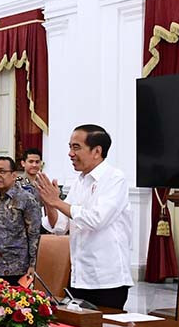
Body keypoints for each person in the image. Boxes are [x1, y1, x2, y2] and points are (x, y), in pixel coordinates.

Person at [36, 124, 134, 309]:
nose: (70, 154)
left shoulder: (115, 179)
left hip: (107, 281)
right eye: (70, 147)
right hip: (79, 277)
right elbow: (59, 226)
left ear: (97, 151)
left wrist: (57, 202)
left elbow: (96, 220)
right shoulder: (80, 182)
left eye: (76, 147)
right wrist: (49, 203)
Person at [0, 156, 41, 286]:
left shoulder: (26, 199)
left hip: (17, 269)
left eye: (2, 171)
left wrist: (33, 265)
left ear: (13, 175)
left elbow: (34, 235)